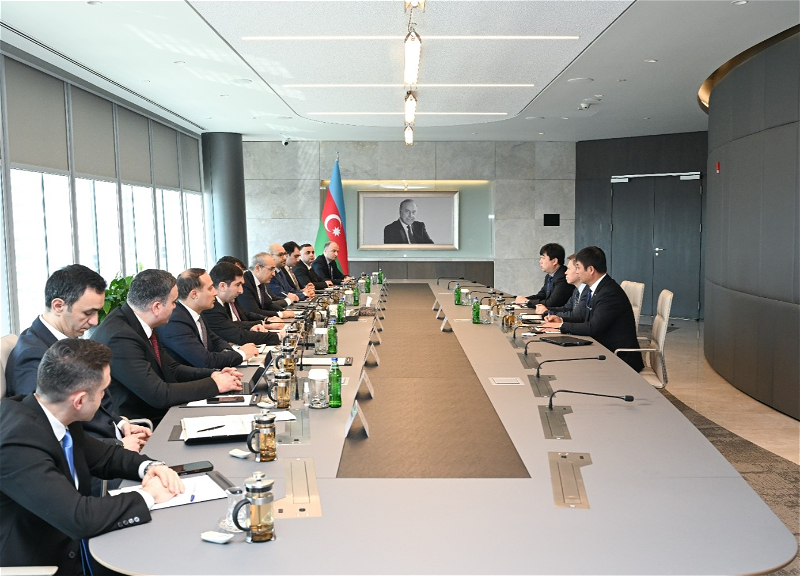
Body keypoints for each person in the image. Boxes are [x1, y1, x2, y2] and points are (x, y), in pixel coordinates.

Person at [0, 339, 184, 573]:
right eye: (102, 391)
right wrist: (149, 495)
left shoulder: (56, 414)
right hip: (43, 563)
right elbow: (79, 518)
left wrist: (150, 467)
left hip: (78, 547)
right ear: (79, 401)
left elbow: (105, 457)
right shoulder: (17, 443)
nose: (105, 397)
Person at [4, 264, 149, 459]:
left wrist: (120, 424)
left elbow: (93, 399)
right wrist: (116, 445)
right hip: (95, 461)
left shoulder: (61, 343)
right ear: (58, 306)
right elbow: (48, 430)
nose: (95, 321)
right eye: (88, 313)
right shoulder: (33, 357)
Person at [91, 269, 242, 426]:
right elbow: (159, 394)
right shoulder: (120, 337)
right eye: (174, 302)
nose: (176, 307)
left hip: (161, 413)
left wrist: (213, 374)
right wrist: (215, 385)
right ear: (156, 307)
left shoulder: (140, 321)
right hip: (143, 424)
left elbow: (172, 368)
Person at [540, 246, 644, 372]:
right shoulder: (597, 288)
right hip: (603, 350)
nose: (577, 272)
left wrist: (561, 326)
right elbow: (585, 318)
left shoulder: (608, 292)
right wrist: (560, 320)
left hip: (620, 358)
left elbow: (593, 327)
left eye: (578, 267)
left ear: (590, 270)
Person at [156, 269, 258, 369]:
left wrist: (229, 353)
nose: (215, 292)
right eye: (210, 288)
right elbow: (205, 361)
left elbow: (215, 340)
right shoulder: (175, 322)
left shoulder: (196, 313)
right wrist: (241, 354)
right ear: (194, 294)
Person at [203, 262, 286, 347]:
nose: (241, 291)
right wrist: (279, 336)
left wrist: (253, 326)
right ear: (222, 286)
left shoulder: (225, 300)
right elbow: (240, 336)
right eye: (238, 285)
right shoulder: (211, 308)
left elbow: (234, 324)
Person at [514, 243, 573, 309]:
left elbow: (551, 303)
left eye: (543, 258)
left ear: (554, 261)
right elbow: (541, 296)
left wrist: (526, 302)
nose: (540, 261)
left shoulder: (563, 277)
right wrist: (523, 299)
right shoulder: (549, 276)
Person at [533, 254, 589, 320]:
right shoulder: (576, 290)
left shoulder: (588, 291)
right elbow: (566, 308)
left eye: (569, 269)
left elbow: (576, 316)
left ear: (578, 270)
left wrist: (547, 312)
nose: (565, 272)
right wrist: (546, 309)